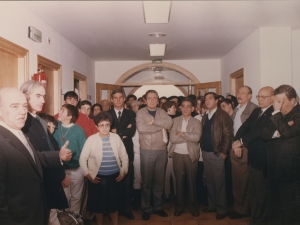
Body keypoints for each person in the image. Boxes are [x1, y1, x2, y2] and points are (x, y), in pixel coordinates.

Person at [0, 87, 71, 225]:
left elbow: (32, 158)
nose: (22, 111)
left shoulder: (17, 130)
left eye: (24, 106)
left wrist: (58, 156)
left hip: (35, 212)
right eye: (15, 106)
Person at [20, 81, 69, 225]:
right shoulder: (22, 123)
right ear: (25, 97)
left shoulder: (39, 120)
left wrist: (61, 174)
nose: (43, 100)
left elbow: (52, 147)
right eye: (38, 96)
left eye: (44, 96)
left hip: (49, 181)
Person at [232, 86, 274, 225]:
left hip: (264, 160)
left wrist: (241, 142)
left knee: (262, 194)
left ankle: (261, 221)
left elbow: (258, 132)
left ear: (272, 98)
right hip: (253, 158)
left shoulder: (274, 112)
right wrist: (235, 141)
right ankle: (254, 220)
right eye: (259, 97)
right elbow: (245, 127)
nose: (260, 100)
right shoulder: (256, 111)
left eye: (264, 97)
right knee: (253, 192)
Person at [260, 85, 300, 225]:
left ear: (293, 100)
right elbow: (264, 133)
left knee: (291, 209)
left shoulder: (297, 114)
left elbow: (288, 133)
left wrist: (279, 119)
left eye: (281, 101)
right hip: (275, 168)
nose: (279, 105)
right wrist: (279, 132)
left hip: (290, 171)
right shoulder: (281, 115)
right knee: (275, 208)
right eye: (276, 101)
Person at [79, 112, 128, 225]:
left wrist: (124, 171)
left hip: (115, 177)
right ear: (97, 127)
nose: (105, 128)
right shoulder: (91, 139)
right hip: (97, 178)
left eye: (107, 125)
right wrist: (88, 175)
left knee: (114, 205)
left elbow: (124, 156)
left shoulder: (116, 138)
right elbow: (82, 159)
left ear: (110, 125)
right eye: (101, 125)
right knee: (98, 205)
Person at [136, 90, 173, 221]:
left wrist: (153, 122)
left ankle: (157, 206)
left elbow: (169, 123)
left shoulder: (162, 112)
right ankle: (146, 208)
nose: (152, 100)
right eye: (149, 98)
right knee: (146, 182)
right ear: (145, 100)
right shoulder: (141, 113)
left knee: (159, 181)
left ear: (157, 100)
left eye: (154, 98)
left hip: (161, 150)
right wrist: (159, 125)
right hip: (147, 150)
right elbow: (142, 128)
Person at [200, 92, 233, 220]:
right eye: (206, 99)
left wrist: (224, 152)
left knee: (219, 182)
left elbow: (228, 135)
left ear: (216, 101)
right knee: (209, 181)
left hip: (217, 153)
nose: (207, 101)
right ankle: (212, 205)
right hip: (206, 153)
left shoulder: (222, 115)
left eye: (210, 98)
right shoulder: (206, 115)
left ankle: (221, 209)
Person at [169, 97, 202, 217]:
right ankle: (179, 207)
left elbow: (197, 137)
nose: (186, 108)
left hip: (191, 155)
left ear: (193, 108)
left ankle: (193, 207)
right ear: (180, 108)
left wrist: (182, 133)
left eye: (189, 106)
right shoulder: (175, 121)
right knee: (179, 182)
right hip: (177, 154)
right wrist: (189, 135)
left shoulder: (197, 122)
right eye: (184, 106)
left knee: (192, 182)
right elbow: (173, 138)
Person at [230, 86, 258, 220]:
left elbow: (252, 132)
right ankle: (238, 207)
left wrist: (241, 144)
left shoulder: (253, 109)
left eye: (243, 93)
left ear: (250, 96)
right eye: (238, 92)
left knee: (243, 179)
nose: (239, 95)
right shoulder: (237, 108)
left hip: (244, 147)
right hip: (234, 146)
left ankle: (242, 210)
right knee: (237, 179)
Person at [108, 89, 136, 220]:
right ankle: (113, 209)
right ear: (112, 99)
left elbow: (131, 132)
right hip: (110, 151)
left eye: (120, 97)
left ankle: (126, 209)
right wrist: (124, 130)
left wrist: (115, 130)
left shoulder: (131, 113)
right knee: (112, 182)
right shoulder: (107, 114)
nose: (118, 100)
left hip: (127, 150)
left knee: (126, 181)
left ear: (124, 99)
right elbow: (106, 131)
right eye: (115, 97)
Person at [53, 104, 86, 213]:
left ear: (70, 116)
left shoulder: (79, 131)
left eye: (62, 111)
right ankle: (65, 221)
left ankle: (75, 220)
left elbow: (84, 152)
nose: (59, 112)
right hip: (61, 170)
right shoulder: (55, 127)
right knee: (65, 198)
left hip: (76, 170)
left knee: (76, 198)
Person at [161, 100, 177, 202]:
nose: (176, 109)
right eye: (174, 107)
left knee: (173, 171)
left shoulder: (175, 118)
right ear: (168, 109)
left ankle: (172, 193)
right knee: (168, 172)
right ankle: (170, 193)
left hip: (174, 145)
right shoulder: (165, 119)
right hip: (167, 146)